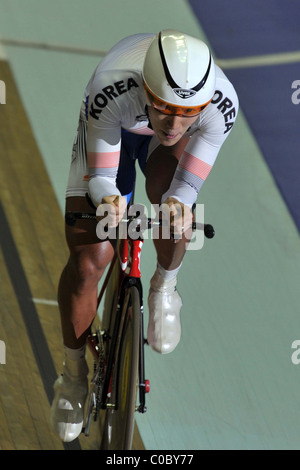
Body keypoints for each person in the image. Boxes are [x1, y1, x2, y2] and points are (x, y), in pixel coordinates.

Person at [50, 29, 239, 442]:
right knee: (89, 261)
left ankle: (165, 287)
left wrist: (177, 206)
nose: (174, 124)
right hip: (114, 127)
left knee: (174, 210)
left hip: (150, 142)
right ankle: (73, 376)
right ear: (147, 91)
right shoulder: (112, 87)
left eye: (187, 112)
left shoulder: (221, 106)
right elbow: (99, 178)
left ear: (204, 104)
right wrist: (110, 202)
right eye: (165, 108)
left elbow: (184, 189)